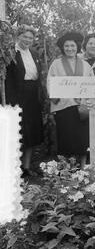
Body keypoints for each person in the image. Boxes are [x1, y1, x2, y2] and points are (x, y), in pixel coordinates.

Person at [47, 31, 95, 168]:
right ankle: (67, 166)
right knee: (66, 138)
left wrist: (90, 100)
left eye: (72, 46)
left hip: (82, 106)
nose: (69, 49)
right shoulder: (56, 64)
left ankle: (83, 164)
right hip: (64, 106)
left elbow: (92, 84)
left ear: (77, 47)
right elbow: (50, 82)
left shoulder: (85, 65)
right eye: (66, 46)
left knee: (82, 137)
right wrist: (58, 94)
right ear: (63, 48)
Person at [5, 24, 44, 178]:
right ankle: (12, 168)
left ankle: (26, 167)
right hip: (16, 96)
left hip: (33, 95)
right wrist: (10, 100)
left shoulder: (34, 53)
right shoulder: (10, 53)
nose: (27, 40)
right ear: (18, 36)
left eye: (30, 37)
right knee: (17, 131)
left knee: (31, 132)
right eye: (25, 36)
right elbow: (7, 80)